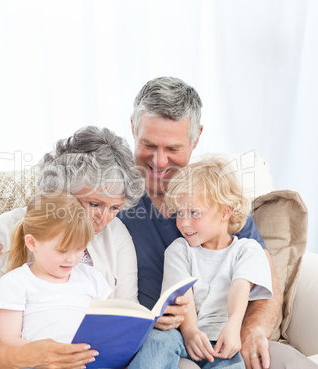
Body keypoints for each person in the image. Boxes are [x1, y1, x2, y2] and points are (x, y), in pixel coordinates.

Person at [0, 126, 188, 369]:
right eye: (94, 204)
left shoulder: (115, 234)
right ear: (59, 191)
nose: (104, 219)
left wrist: (149, 324)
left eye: (115, 207)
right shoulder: (3, 232)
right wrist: (31, 357)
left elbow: (122, 317)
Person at [118, 76, 318, 369]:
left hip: (223, 337)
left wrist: (251, 330)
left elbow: (263, 281)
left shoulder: (214, 195)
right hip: (159, 339)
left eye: (172, 149)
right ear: (134, 129)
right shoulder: (111, 199)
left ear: (196, 137)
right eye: (148, 145)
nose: (159, 161)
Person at [130, 157, 273, 369]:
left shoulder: (247, 250)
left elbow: (239, 289)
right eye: (179, 213)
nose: (184, 222)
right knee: (157, 340)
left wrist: (233, 327)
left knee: (234, 362)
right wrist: (190, 332)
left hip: (225, 337)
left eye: (194, 213)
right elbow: (182, 297)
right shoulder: (179, 250)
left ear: (225, 212)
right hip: (182, 335)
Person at [0, 190, 111, 346]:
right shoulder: (15, 283)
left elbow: (110, 325)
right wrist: (50, 355)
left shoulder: (91, 277)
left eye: (79, 249)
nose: (71, 259)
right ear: (32, 243)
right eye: (62, 250)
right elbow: (9, 340)